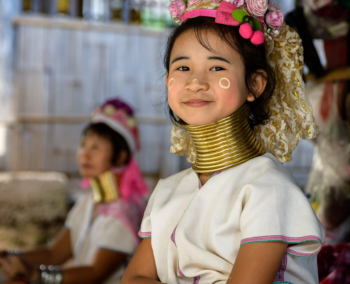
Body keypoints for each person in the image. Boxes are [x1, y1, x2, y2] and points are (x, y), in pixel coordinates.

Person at [121, 0, 325, 283]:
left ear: (254, 84)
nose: (195, 82)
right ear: (168, 81)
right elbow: (133, 279)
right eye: (183, 68)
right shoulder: (168, 192)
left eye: (216, 68)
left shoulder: (268, 189)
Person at [0, 98, 148, 284]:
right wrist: (10, 256)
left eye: (95, 147)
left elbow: (95, 274)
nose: (85, 153)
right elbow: (54, 254)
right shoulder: (88, 201)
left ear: (120, 156)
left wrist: (35, 276)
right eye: (83, 144)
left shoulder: (127, 212)